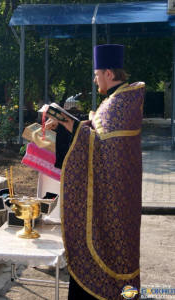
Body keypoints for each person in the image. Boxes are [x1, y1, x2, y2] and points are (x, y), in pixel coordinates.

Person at [46, 44, 145, 300]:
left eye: (97, 73)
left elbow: (98, 143)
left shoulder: (120, 102)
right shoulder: (117, 99)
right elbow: (95, 132)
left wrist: (66, 120)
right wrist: (64, 124)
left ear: (109, 74)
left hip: (115, 197)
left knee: (115, 250)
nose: (95, 79)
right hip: (114, 193)